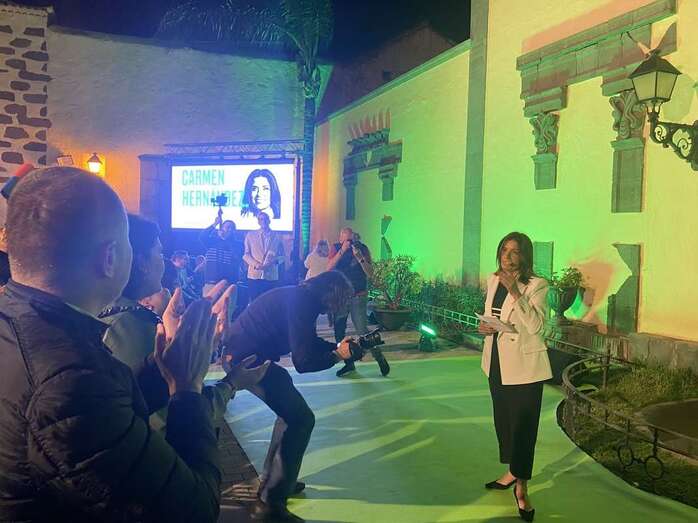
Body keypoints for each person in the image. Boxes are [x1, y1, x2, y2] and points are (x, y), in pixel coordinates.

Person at [0, 166, 235, 522]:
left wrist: (162, 371)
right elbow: (194, 510)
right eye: (128, 241)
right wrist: (188, 389)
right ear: (109, 258)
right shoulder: (70, 383)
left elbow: (102, 424)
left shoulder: (21, 322)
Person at [221, 271, 357, 523]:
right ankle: (270, 503)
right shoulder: (302, 303)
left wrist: (339, 348)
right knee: (301, 418)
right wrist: (339, 356)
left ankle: (275, 480)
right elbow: (303, 361)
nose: (345, 305)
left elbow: (307, 342)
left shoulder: (302, 298)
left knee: (289, 407)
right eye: (344, 299)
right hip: (245, 363)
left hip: (246, 357)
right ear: (332, 293)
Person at [101, 215, 258, 430]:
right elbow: (180, 416)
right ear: (142, 263)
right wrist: (231, 384)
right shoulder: (137, 330)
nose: (164, 262)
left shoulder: (104, 313)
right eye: (160, 253)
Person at [478, 231, 552, 522]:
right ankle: (511, 472)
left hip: (525, 368)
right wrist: (484, 327)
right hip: (496, 362)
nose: (508, 257)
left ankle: (522, 488)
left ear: (524, 256)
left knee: (523, 428)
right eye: (504, 251)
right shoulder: (493, 279)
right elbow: (493, 315)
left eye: (515, 252)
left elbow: (536, 326)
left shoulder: (537, 285)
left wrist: (515, 292)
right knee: (505, 423)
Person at [327, 227, 389, 377]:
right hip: (341, 297)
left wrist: (360, 257)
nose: (349, 243)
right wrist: (342, 250)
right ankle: (349, 363)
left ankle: (379, 358)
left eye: (351, 239)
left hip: (358, 295)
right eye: (346, 239)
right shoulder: (336, 248)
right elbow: (329, 268)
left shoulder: (362, 249)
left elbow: (370, 273)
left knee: (362, 331)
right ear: (340, 238)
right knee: (339, 332)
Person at [244, 212, 284, 303]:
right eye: (261, 219)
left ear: (269, 220)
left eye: (265, 219)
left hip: (271, 275)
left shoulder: (277, 236)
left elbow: (282, 256)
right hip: (254, 275)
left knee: (269, 303)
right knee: (255, 302)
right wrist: (256, 264)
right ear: (258, 221)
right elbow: (246, 255)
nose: (263, 221)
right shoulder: (250, 235)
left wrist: (274, 262)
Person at [199, 215, 244, 294]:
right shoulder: (212, 241)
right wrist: (215, 224)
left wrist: (224, 239)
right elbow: (202, 236)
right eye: (227, 227)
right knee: (209, 301)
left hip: (229, 282)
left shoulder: (238, 244)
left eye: (232, 228)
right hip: (211, 281)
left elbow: (236, 257)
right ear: (222, 228)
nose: (230, 230)